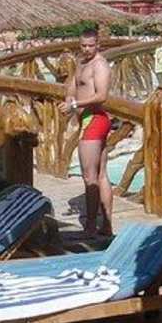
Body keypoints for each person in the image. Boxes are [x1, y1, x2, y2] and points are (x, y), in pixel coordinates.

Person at [60, 25, 113, 237]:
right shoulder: (81, 62)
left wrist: (75, 105)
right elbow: (74, 84)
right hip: (89, 120)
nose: (87, 49)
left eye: (90, 46)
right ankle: (106, 225)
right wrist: (69, 98)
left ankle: (91, 226)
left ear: (98, 44)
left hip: (95, 119)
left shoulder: (100, 65)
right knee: (100, 174)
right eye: (83, 45)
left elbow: (102, 96)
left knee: (90, 177)